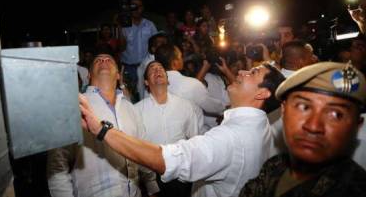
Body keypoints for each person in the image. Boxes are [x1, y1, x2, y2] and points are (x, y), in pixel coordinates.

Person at [78, 62, 286, 197]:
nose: (241, 71)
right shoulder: (262, 125)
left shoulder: (232, 137)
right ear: (146, 83)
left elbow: (169, 159)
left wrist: (102, 130)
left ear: (264, 93)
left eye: (253, 73)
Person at [239, 61, 366, 197]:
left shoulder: (354, 189)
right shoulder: (276, 165)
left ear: (357, 125)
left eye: (336, 114)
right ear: (283, 110)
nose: (313, 126)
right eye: (303, 107)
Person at [47, 54, 159, 197]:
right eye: (98, 60)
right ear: (88, 76)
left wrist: (152, 186)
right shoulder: (74, 108)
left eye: (109, 60)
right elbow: (57, 167)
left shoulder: (130, 108)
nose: (104, 61)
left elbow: (141, 150)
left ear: (118, 75)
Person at [135, 61, 203, 197]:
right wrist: (150, 184)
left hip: (181, 174)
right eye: (152, 70)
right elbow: (136, 149)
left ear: (168, 80)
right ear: (146, 82)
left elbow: (195, 141)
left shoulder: (186, 106)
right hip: (152, 175)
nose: (157, 71)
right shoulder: (136, 110)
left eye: (160, 69)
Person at [154, 44, 225, 131]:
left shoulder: (152, 86)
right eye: (180, 56)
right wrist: (226, 108)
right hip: (194, 137)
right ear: (175, 62)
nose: (182, 59)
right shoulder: (191, 84)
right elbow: (213, 107)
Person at [120, 0, 158, 86]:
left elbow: (156, 45)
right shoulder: (124, 25)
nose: (136, 9)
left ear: (142, 8)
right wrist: (119, 27)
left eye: (138, 6)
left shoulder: (150, 25)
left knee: (146, 94)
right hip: (129, 67)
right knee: (130, 96)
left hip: (146, 67)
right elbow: (121, 48)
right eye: (133, 6)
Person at [136, 33, 168, 100]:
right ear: (153, 49)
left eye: (166, 44)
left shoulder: (156, 59)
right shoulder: (150, 64)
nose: (166, 47)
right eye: (162, 44)